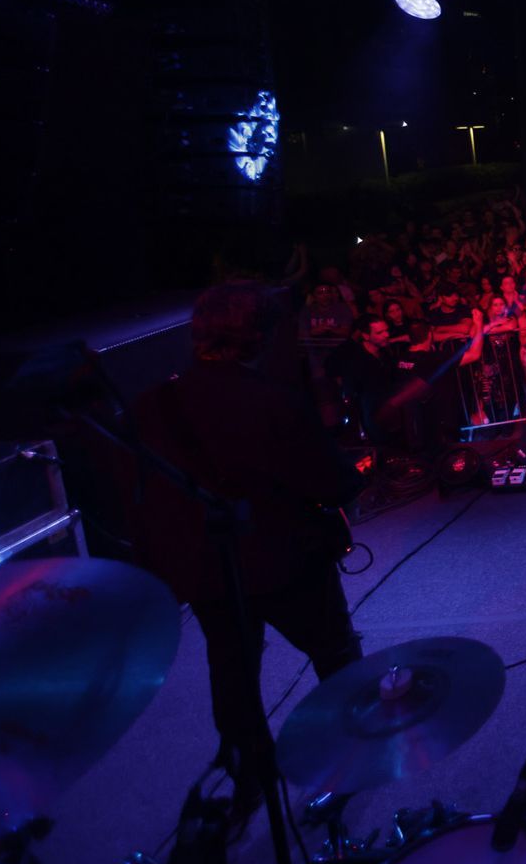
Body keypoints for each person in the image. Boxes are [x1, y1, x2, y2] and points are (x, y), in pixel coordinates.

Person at [129, 283, 365, 821]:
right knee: (336, 657)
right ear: (259, 337)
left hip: (209, 568)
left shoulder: (152, 406)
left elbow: (141, 499)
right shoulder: (272, 399)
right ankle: (351, 761)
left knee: (233, 676)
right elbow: (336, 484)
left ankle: (248, 779)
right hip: (288, 560)